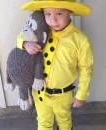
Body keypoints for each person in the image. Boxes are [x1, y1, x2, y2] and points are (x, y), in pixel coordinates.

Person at [17, 0, 94, 130]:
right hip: (40, 92)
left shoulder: (80, 40)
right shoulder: (39, 32)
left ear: (70, 12)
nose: (53, 20)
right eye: (47, 14)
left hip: (63, 94)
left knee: (64, 121)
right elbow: (22, 35)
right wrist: (25, 43)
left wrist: (81, 95)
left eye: (59, 13)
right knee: (43, 121)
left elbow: (86, 69)